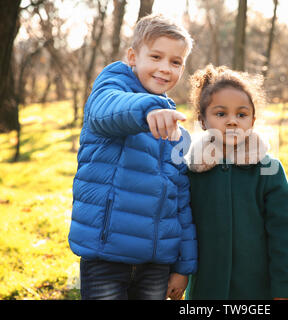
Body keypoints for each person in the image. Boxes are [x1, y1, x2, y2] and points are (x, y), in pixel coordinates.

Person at [68, 14, 197, 300]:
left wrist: (183, 266)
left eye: (175, 62)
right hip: (106, 256)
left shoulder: (173, 124)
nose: (165, 68)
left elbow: (181, 201)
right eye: (156, 57)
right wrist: (149, 110)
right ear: (132, 56)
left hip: (156, 263)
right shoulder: (112, 87)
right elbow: (108, 110)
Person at [185, 65, 288, 300]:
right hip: (205, 289)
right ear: (202, 121)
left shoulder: (269, 172)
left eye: (241, 114)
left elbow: (284, 236)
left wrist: (285, 290)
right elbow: (181, 228)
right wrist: (178, 272)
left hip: (256, 290)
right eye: (220, 114)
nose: (232, 122)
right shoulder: (191, 173)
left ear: (253, 120)